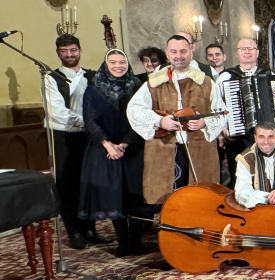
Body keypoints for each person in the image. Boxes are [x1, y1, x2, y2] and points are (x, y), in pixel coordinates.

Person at [126, 34, 226, 204]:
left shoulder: (206, 82)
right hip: (165, 149)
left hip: (199, 148)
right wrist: (160, 121)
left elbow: (221, 112)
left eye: (183, 51)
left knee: (200, 197)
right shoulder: (154, 82)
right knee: (168, 198)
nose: (178, 55)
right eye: (174, 51)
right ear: (167, 53)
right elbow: (134, 109)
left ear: (191, 52)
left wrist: (204, 122)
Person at [76, 49, 146, 256]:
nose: (118, 66)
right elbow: (90, 120)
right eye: (113, 62)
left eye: (122, 61)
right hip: (105, 150)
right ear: (106, 65)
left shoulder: (138, 86)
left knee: (134, 196)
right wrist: (108, 145)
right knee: (115, 196)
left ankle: (137, 242)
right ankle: (123, 243)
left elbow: (142, 117)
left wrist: (125, 144)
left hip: (133, 147)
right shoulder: (93, 88)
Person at [45, 34, 101, 248]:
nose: (69, 54)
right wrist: (88, 122)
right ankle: (74, 232)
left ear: (80, 51)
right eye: (64, 51)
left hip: (89, 135)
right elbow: (57, 112)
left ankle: (90, 229)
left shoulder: (92, 76)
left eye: (73, 50)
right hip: (64, 136)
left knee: (89, 182)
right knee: (67, 184)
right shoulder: (52, 78)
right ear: (58, 53)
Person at [216, 37, 275, 187]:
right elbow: (217, 107)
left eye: (251, 49)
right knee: (239, 178)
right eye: (243, 49)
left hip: (266, 139)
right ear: (237, 53)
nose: (247, 52)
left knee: (267, 178)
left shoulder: (270, 75)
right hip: (237, 138)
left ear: (257, 52)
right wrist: (223, 128)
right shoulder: (226, 77)